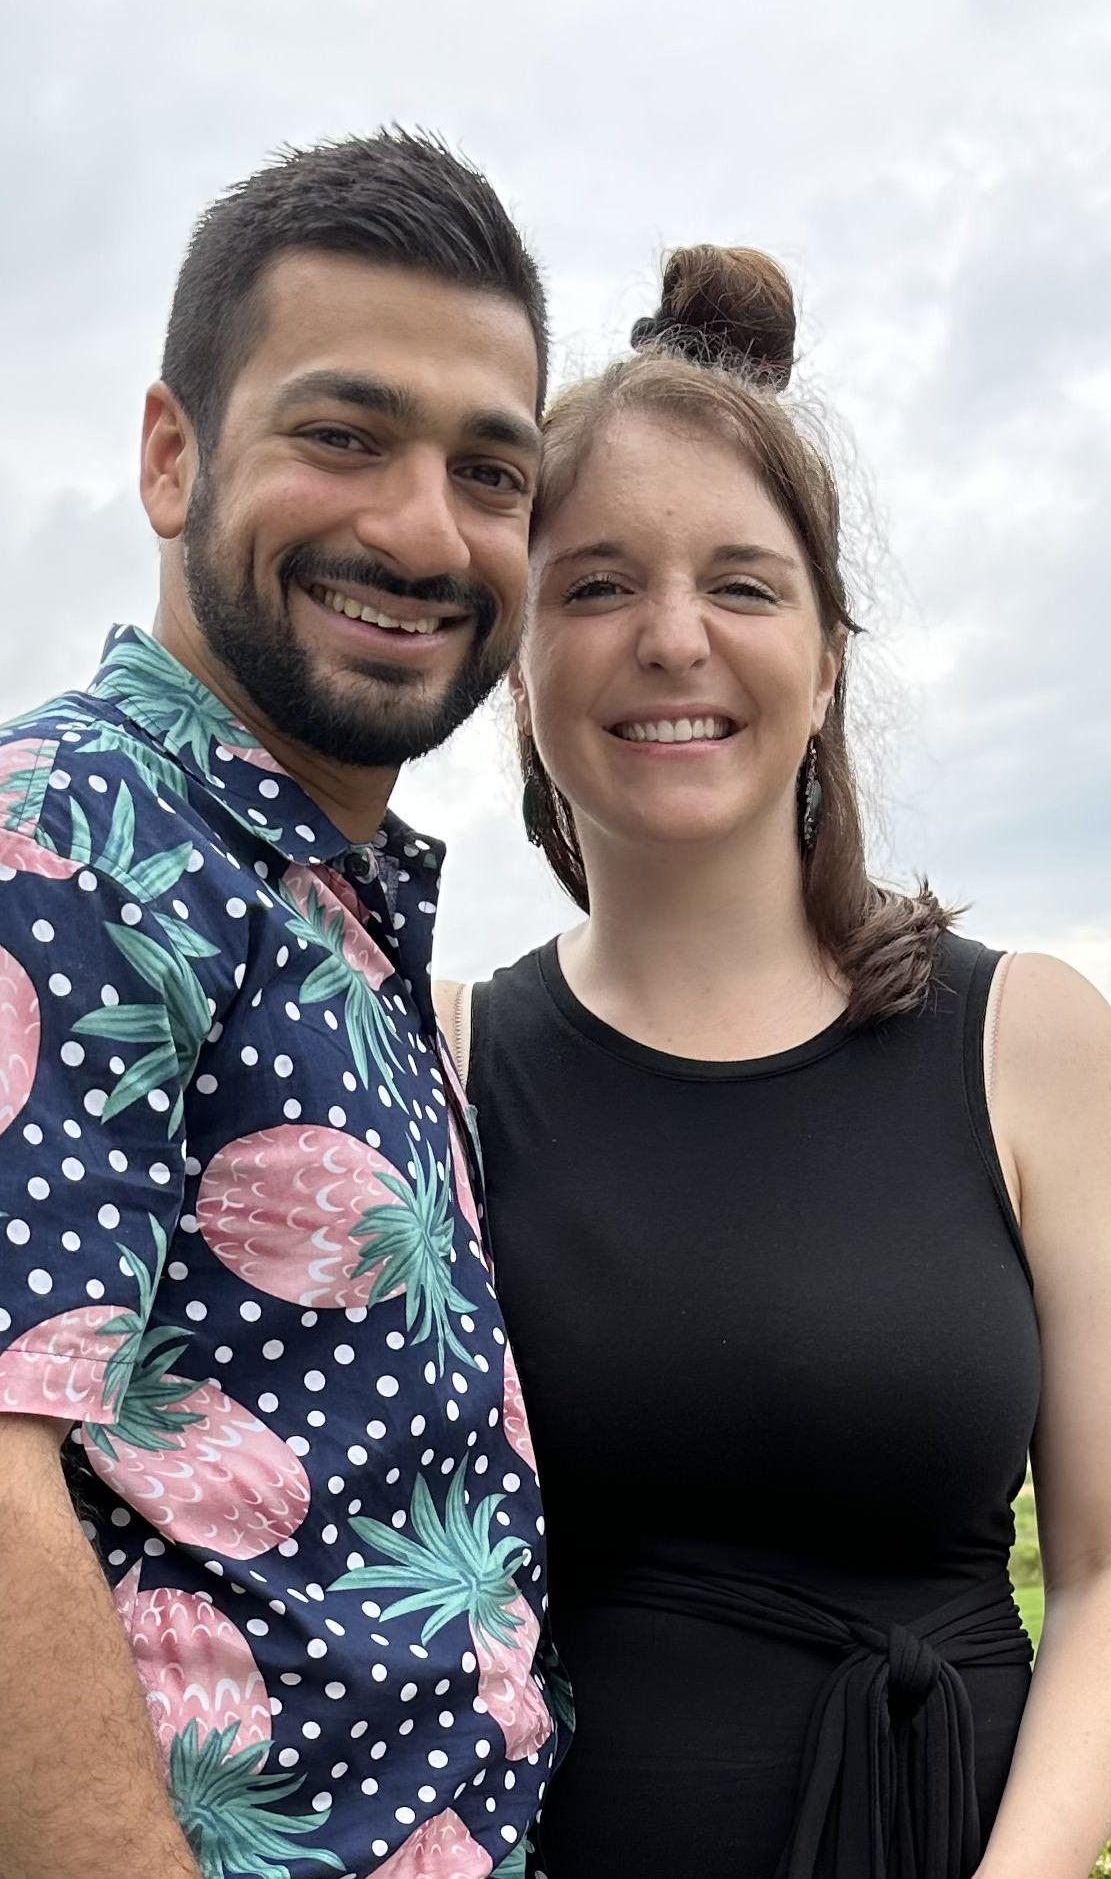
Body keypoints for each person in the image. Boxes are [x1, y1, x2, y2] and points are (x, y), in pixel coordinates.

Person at [438, 245, 1111, 1878]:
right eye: (595, 586)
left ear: (827, 652)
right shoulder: (438, 1060)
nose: (671, 638)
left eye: (741, 583)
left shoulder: (1029, 1043)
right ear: (516, 661)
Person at [0, 132, 563, 1879]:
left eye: (489, 471)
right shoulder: (70, 843)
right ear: (172, 456)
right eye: (343, 436)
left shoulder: (317, 899)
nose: (422, 529)